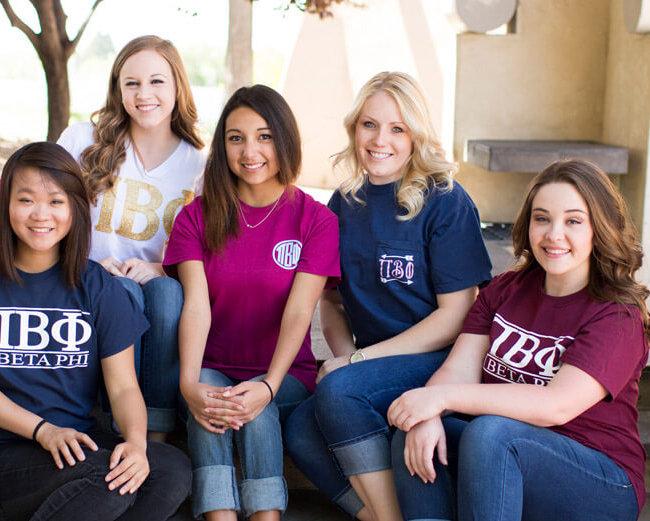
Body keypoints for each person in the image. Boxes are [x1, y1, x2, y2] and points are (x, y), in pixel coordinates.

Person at [0, 141, 191, 521]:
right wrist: (43, 431)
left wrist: (137, 444)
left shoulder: (96, 285)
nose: (41, 214)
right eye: (26, 200)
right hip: (1, 455)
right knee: (103, 475)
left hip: (77, 443)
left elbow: (123, 387)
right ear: (7, 205)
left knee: (170, 469)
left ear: (74, 208)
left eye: (56, 201)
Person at [387, 158, 648, 521]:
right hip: (504, 454)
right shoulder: (506, 289)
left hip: (600, 479)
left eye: (573, 221)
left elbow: (557, 405)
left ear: (598, 229)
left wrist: (440, 398)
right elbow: (458, 370)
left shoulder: (617, 315)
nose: (554, 234)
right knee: (415, 430)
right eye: (542, 219)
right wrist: (428, 412)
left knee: (491, 433)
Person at [284, 71, 492, 521]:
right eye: (369, 125)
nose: (381, 140)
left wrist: (358, 363)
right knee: (300, 428)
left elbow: (457, 314)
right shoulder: (344, 203)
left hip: (442, 361)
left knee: (340, 392)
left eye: (398, 128)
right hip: (377, 364)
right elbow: (331, 300)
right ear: (354, 129)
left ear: (416, 136)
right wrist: (346, 355)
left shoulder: (446, 200)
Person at [163, 85, 340, 521]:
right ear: (222, 145)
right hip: (212, 366)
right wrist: (189, 385)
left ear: (285, 140)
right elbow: (196, 306)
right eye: (235, 138)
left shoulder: (316, 220)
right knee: (214, 402)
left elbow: (300, 311)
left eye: (264, 137)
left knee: (256, 411)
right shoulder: (196, 216)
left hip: (287, 373)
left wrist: (269, 385)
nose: (250, 151)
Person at [58, 35, 205, 441]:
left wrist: (160, 267)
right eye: (132, 83)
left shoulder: (199, 165)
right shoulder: (82, 140)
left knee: (166, 292)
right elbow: (45, 212)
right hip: (84, 283)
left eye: (157, 81)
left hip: (157, 297)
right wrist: (85, 264)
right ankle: (118, 428)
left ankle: (155, 435)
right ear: (118, 90)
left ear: (177, 87)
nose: (144, 94)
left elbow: (206, 252)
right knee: (122, 291)